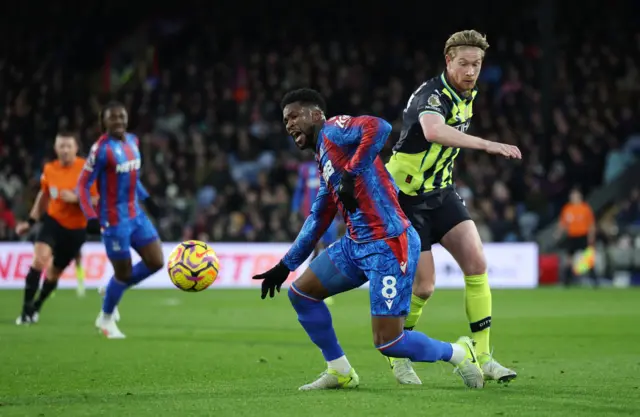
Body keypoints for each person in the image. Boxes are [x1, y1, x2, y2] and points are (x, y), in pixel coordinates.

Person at [253, 88, 484, 391]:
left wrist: (350, 174)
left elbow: (380, 127)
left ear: (316, 115)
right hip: (355, 245)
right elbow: (320, 215)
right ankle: (340, 371)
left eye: (294, 116)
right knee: (301, 294)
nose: (289, 125)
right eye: (285, 121)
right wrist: (286, 265)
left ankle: (458, 352)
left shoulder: (334, 128)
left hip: (388, 244)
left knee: (389, 342)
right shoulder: (323, 159)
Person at [384, 30, 521, 384]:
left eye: (477, 64)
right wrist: (487, 144)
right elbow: (433, 132)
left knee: (477, 263)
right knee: (424, 287)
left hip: (441, 192)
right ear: (448, 61)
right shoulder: (431, 95)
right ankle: (398, 351)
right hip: (404, 198)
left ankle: (484, 355)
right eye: (464, 63)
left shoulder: (468, 94)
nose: (471, 71)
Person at [77, 101, 163, 339]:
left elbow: (133, 179)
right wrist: (90, 217)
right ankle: (105, 319)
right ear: (103, 122)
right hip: (114, 220)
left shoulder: (133, 142)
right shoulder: (100, 150)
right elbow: (82, 186)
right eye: (113, 118)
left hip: (136, 214)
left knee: (156, 262)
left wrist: (149, 199)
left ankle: (113, 288)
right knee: (123, 274)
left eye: (122, 117)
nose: (119, 122)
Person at [14, 132, 99, 324]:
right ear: (56, 148)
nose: (65, 150)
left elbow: (96, 199)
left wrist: (77, 199)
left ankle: (37, 306)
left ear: (76, 148)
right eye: (61, 146)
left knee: (54, 273)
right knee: (39, 260)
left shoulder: (86, 170)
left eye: (69, 146)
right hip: (53, 222)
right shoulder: (49, 169)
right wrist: (31, 221)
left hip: (76, 230)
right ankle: (25, 310)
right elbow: (43, 196)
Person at [556, 187, 597, 286]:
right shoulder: (567, 208)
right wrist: (558, 233)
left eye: (576, 195)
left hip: (583, 235)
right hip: (572, 236)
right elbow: (562, 223)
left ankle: (594, 280)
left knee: (588, 259)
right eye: (572, 195)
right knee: (569, 259)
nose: (574, 197)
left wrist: (591, 236)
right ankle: (567, 281)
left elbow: (591, 224)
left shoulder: (585, 208)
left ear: (580, 196)